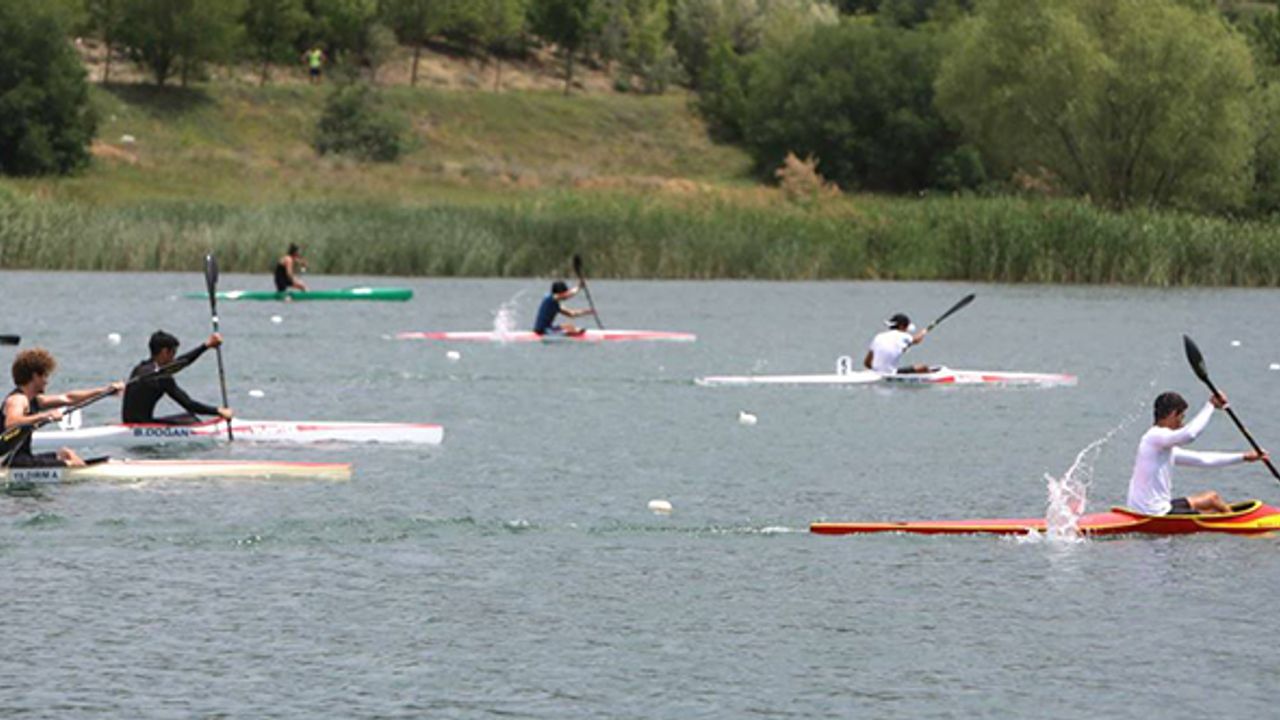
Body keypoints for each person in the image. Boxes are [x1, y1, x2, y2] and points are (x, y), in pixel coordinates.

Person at [1126, 391, 1268, 515]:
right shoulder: (1157, 436)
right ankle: (1237, 523)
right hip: (1155, 514)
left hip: (1149, 509)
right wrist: (1210, 405)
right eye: (1181, 417)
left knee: (1212, 499)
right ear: (1172, 414)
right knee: (1211, 504)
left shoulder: (1159, 445)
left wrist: (1244, 457)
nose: (1181, 424)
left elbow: (1203, 460)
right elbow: (1190, 434)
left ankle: (1225, 518)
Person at [2, 348, 121, 467]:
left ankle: (83, 470)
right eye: (45, 375)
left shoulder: (35, 400)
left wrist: (105, 391)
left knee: (66, 453)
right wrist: (45, 415)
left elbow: (68, 398)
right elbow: (12, 422)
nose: (46, 381)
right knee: (71, 464)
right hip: (10, 461)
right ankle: (84, 474)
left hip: (24, 457)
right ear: (35, 376)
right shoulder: (17, 400)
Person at [122, 331, 233, 425]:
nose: (174, 358)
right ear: (165, 352)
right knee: (191, 419)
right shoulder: (161, 377)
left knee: (186, 418)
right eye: (173, 353)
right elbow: (189, 405)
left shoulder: (140, 368)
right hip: (142, 427)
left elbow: (182, 361)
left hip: (130, 424)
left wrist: (207, 346)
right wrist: (219, 411)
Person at [863, 313, 929, 374]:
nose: (906, 330)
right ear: (901, 326)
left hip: (875, 372)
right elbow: (917, 340)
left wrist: (877, 371)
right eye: (906, 327)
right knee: (923, 368)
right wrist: (923, 332)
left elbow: (867, 363)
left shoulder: (878, 336)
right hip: (890, 373)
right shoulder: (903, 335)